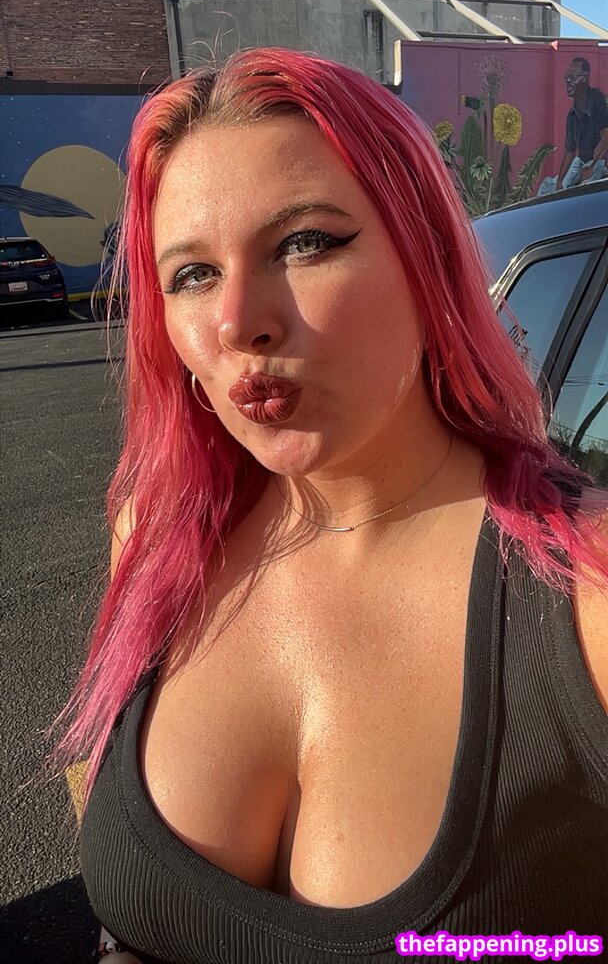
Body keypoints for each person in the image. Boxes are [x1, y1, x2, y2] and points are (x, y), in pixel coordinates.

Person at [55, 49, 608, 964]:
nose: (237, 321)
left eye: (304, 243)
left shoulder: (585, 595)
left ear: (430, 257)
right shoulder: (156, 539)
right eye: (191, 274)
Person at [538, 56, 608, 195]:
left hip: (599, 161)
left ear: (585, 77)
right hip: (580, 161)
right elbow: (569, 152)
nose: (569, 81)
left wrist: (592, 165)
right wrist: (559, 183)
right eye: (567, 77)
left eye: (573, 77)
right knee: (548, 186)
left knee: (584, 190)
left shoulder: (596, 99)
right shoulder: (572, 116)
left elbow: (606, 135)